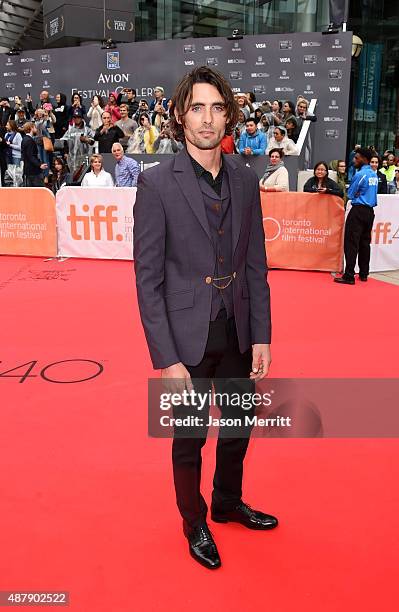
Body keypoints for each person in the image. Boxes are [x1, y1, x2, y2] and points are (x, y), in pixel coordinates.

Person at [133, 65, 277, 571]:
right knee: (189, 438)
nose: (208, 118)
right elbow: (147, 282)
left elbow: (256, 263)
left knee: (240, 423)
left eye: (217, 107)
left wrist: (262, 336)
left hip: (237, 328)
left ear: (229, 115)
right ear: (180, 115)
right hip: (186, 337)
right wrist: (167, 361)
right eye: (197, 107)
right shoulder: (156, 185)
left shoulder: (244, 178)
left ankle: (225, 500)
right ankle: (193, 520)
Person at [334, 148, 378, 285]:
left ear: (364, 159)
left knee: (351, 243)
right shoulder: (374, 174)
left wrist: (356, 194)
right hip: (370, 212)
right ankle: (364, 274)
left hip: (358, 211)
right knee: (365, 243)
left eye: (357, 158)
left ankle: (349, 275)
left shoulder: (360, 175)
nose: (354, 160)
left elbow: (351, 194)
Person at [61, 108, 94, 174]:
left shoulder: (87, 130)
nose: (77, 119)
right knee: (73, 178)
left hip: (84, 158)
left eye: (78, 117)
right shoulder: (70, 130)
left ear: (82, 118)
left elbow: (93, 141)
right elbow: (64, 141)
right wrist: (65, 153)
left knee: (83, 177)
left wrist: (86, 139)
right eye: (75, 117)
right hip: (72, 159)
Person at [21, 122, 47, 187]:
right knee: (39, 191)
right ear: (31, 128)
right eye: (35, 127)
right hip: (33, 171)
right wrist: (39, 165)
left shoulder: (24, 139)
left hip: (28, 170)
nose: (36, 129)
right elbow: (31, 156)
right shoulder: (29, 141)